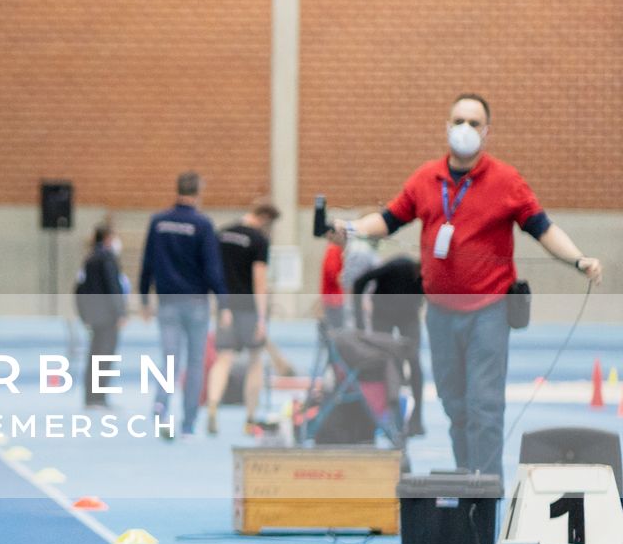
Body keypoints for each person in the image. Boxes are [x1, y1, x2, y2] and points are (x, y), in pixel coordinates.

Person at [331, 94, 602, 474]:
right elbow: (389, 219)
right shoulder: (426, 179)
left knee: (484, 405)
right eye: (459, 120)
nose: (465, 129)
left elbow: (542, 228)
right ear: (447, 126)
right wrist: (352, 229)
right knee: (453, 403)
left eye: (474, 123)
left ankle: (485, 493)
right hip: (440, 312)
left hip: (487, 311)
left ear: (487, 132)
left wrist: (578, 258)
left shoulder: (507, 181)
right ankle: (465, 482)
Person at [138, 171, 229, 439]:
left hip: (167, 302)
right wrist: (223, 303)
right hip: (196, 303)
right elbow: (212, 269)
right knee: (196, 362)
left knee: (169, 359)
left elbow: (147, 263)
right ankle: (188, 422)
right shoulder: (202, 225)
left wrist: (144, 298)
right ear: (198, 192)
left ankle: (160, 406)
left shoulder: (158, 222)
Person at [205, 197, 279, 436]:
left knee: (223, 358)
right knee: (255, 360)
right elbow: (260, 281)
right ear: (265, 219)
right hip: (248, 307)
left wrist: (220, 305)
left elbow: (213, 273)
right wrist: (261, 318)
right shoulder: (259, 240)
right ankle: (249, 417)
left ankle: (213, 405)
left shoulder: (222, 234)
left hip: (225, 306)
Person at [350, 253, 427, 437]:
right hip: (383, 313)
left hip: (408, 316)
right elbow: (359, 282)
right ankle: (386, 416)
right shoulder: (397, 267)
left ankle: (416, 418)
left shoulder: (429, 278)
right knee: (385, 363)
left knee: (414, 362)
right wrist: (360, 323)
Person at [72, 223, 126, 410]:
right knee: (103, 357)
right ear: (108, 238)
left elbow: (78, 289)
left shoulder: (89, 259)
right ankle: (98, 398)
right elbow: (113, 287)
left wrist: (83, 313)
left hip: (94, 315)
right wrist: (120, 312)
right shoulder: (106, 259)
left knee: (95, 355)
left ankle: (91, 397)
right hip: (107, 315)